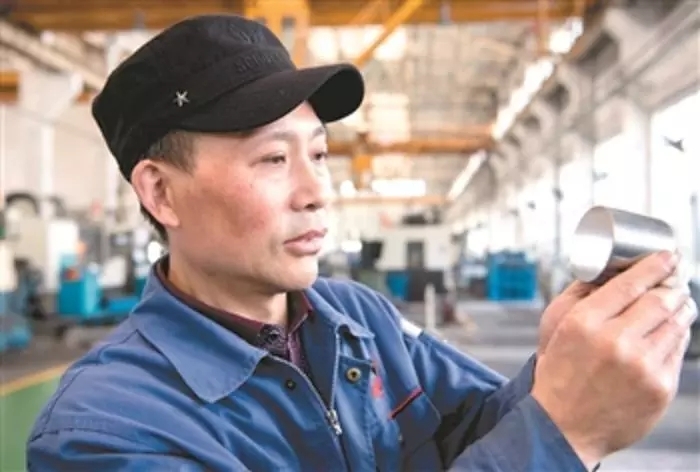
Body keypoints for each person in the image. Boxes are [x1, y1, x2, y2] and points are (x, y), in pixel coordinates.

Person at [26, 14, 696, 471]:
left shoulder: (357, 317)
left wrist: (561, 363)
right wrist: (565, 433)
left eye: (319, 155)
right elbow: (538, 436)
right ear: (161, 193)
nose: (317, 191)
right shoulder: (108, 429)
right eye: (273, 159)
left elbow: (477, 426)